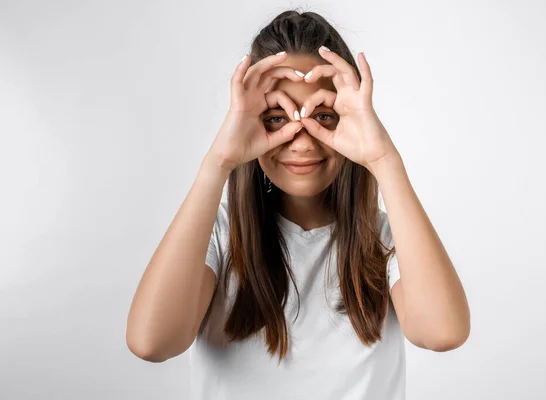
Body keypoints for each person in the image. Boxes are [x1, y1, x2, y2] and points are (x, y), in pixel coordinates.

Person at [126, 10, 470, 400]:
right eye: (277, 118)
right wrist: (218, 164)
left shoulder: (387, 238)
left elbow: (443, 333)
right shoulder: (218, 236)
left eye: (324, 116)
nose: (303, 142)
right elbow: (151, 343)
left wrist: (384, 162)